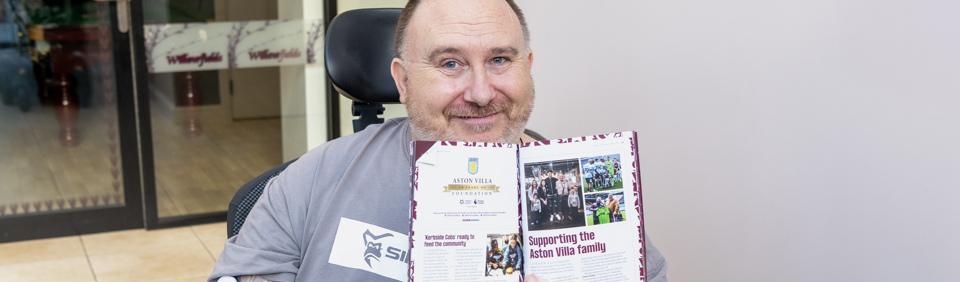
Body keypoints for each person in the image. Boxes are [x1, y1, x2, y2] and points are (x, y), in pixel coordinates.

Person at [209, 1, 667, 281]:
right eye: (450, 63)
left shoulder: (590, 202)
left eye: (500, 60)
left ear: (527, 67)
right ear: (404, 81)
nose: (482, 93)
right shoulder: (314, 179)